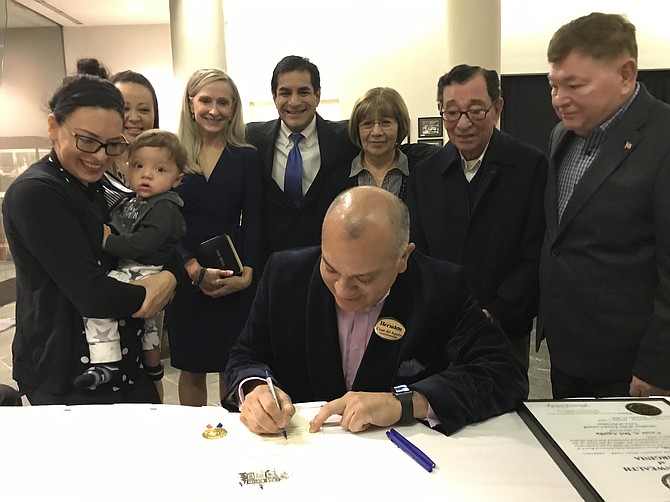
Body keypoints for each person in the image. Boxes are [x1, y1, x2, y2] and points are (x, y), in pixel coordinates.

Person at [224, 186, 528, 436]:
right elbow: (246, 356)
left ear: (403, 258)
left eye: (364, 278)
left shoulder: (441, 288)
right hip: (302, 457)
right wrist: (255, 390)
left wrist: (407, 403)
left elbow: (504, 373)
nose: (342, 290)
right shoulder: (285, 276)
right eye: (330, 267)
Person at [2, 73, 177, 405]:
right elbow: (92, 293)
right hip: (65, 368)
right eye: (87, 140)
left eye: (112, 144)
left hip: (123, 359)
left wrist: (170, 276)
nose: (99, 156)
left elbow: (159, 245)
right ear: (53, 126)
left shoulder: (97, 185)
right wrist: (153, 288)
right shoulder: (36, 192)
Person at [538, 12, 670, 398]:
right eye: (553, 86)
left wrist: (656, 366)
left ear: (626, 75)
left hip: (632, 365)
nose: (559, 100)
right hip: (567, 350)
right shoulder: (561, 135)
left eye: (574, 85)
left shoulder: (663, 140)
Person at [406, 65, 547, 370]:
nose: (463, 124)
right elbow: (419, 252)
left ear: (497, 109)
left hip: (504, 326)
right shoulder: (425, 174)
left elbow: (535, 253)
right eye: (452, 113)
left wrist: (495, 310)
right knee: (437, 408)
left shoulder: (529, 166)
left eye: (475, 111)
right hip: (440, 326)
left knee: (503, 410)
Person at [165, 68, 262, 406]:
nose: (214, 109)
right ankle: (195, 439)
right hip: (185, 269)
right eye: (205, 100)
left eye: (223, 102)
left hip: (231, 271)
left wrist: (248, 271)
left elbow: (254, 217)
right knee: (191, 367)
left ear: (234, 108)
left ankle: (231, 439)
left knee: (231, 365)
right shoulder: (172, 154)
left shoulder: (247, 156)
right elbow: (165, 216)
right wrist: (191, 268)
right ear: (191, 104)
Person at [75, 129, 186, 391]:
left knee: (98, 303)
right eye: (139, 166)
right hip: (138, 269)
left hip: (142, 269)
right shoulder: (134, 201)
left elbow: (144, 242)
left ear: (177, 179)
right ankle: (152, 364)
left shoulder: (165, 206)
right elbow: (119, 224)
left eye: (160, 170)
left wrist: (108, 242)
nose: (147, 174)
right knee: (148, 325)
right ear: (127, 168)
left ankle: (106, 361)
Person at [246, 55, 359, 269]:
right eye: (285, 93)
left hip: (330, 264)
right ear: (274, 97)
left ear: (317, 95)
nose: (294, 102)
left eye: (303, 92)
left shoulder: (346, 138)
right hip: (270, 266)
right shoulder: (252, 138)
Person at [319, 87, 440, 213]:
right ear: (357, 129)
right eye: (367, 124)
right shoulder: (335, 181)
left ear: (400, 126)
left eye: (386, 123)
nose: (376, 132)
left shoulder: (423, 175)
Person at [108, 69, 161, 186]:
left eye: (143, 110)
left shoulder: (170, 163)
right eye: (125, 109)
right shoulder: (95, 164)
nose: (134, 118)